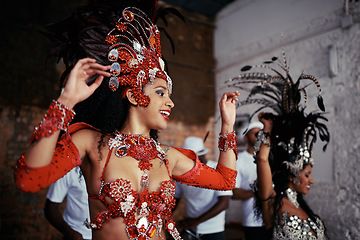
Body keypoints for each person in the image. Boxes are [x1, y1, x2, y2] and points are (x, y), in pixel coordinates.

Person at [13, 1, 239, 239]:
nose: (170, 103)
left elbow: (225, 181)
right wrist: (66, 101)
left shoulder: (167, 156)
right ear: (133, 95)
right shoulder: (93, 144)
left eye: (169, 96)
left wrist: (227, 126)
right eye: (161, 93)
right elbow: (28, 179)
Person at [228, 52, 330, 239]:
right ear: (290, 172)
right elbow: (262, 158)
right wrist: (267, 129)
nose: (312, 180)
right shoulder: (272, 202)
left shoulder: (300, 205)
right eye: (307, 174)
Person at [174, 136, 232, 240]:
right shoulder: (182, 173)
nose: (196, 163)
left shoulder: (218, 170)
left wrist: (197, 221)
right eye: (191, 160)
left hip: (213, 229)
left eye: (198, 159)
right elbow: (175, 199)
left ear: (204, 155)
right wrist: (163, 218)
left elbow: (224, 203)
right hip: (190, 227)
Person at [232, 122, 265, 240]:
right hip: (253, 221)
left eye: (261, 133)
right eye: (255, 133)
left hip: (273, 218)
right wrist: (259, 191)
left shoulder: (272, 157)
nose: (259, 135)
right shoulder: (239, 160)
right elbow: (234, 193)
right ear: (245, 137)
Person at [45, 166, 92, 240]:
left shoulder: (111, 169)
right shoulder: (68, 170)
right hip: (78, 235)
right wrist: (70, 233)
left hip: (106, 235)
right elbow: (51, 208)